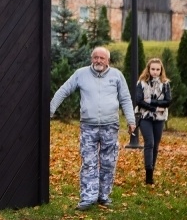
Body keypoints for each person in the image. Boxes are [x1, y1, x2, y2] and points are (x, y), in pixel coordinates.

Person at [50, 47, 136, 210]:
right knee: (89, 162)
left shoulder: (117, 76)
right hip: (88, 126)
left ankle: (103, 196)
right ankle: (88, 197)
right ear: (91, 59)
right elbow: (64, 90)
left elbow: (125, 98)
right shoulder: (80, 74)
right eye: (95, 57)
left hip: (110, 125)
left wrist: (131, 120)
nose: (98, 61)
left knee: (108, 162)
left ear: (107, 61)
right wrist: (51, 109)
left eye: (102, 58)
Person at [135, 58, 171, 185]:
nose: (155, 72)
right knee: (149, 143)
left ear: (161, 70)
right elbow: (139, 101)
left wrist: (149, 101)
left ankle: (152, 169)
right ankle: (148, 175)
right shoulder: (141, 83)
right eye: (153, 69)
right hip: (144, 117)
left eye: (158, 69)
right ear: (148, 69)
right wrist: (155, 107)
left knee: (155, 145)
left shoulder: (165, 84)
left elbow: (167, 102)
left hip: (160, 118)